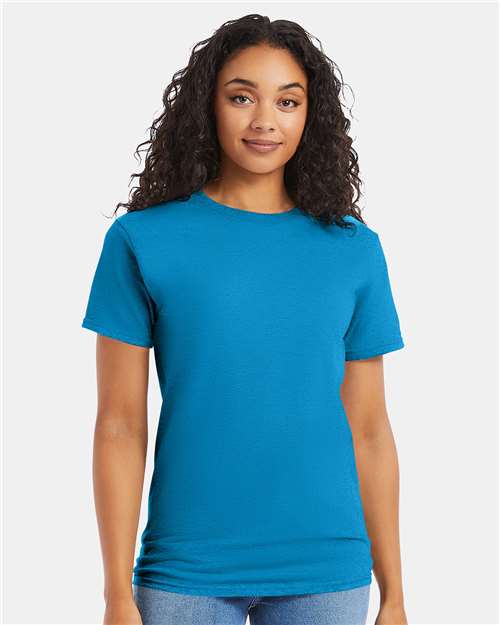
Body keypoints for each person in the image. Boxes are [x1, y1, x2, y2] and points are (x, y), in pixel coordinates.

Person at [82, 13, 408, 625]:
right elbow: (120, 425)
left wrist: (394, 593)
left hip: (327, 571)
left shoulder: (354, 249)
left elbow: (369, 428)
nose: (265, 121)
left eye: (288, 101)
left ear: (311, 115)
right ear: (208, 106)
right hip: (185, 572)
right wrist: (116, 595)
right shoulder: (143, 240)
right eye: (241, 97)